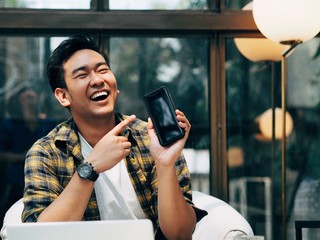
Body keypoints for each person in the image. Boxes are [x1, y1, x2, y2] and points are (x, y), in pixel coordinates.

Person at [21, 35, 207, 240]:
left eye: (102, 70)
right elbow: (39, 236)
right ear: (63, 96)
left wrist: (165, 164)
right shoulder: (47, 152)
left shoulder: (151, 139)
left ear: (115, 87)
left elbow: (180, 235)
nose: (98, 80)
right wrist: (90, 168)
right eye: (82, 75)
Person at [0, 86, 54, 227]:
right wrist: (21, 156)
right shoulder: (10, 124)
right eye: (26, 97)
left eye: (33, 96)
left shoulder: (46, 123)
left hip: (45, 183)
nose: (30, 99)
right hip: (16, 183)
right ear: (19, 99)